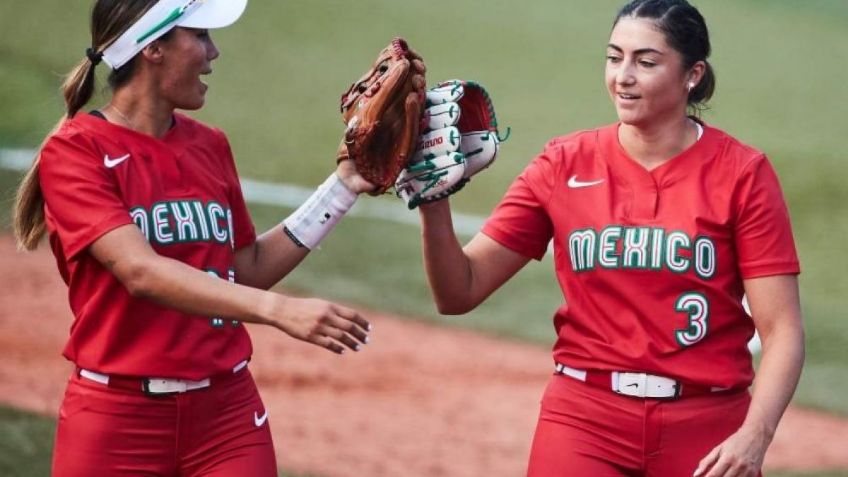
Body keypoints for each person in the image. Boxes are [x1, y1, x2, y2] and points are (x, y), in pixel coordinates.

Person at [12, 0, 423, 475]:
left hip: (226, 419)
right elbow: (139, 271)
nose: (214, 52)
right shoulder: (77, 151)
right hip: (115, 421)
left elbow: (242, 269)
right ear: (154, 48)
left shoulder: (210, 145)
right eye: (201, 36)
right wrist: (277, 310)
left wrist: (343, 186)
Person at [408, 1, 804, 476]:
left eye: (646, 61)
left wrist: (754, 436)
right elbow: (459, 291)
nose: (623, 76)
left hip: (706, 428)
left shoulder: (742, 174)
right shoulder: (563, 164)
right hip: (584, 420)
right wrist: (435, 202)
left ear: (692, 74)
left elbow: (782, 330)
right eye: (614, 57)